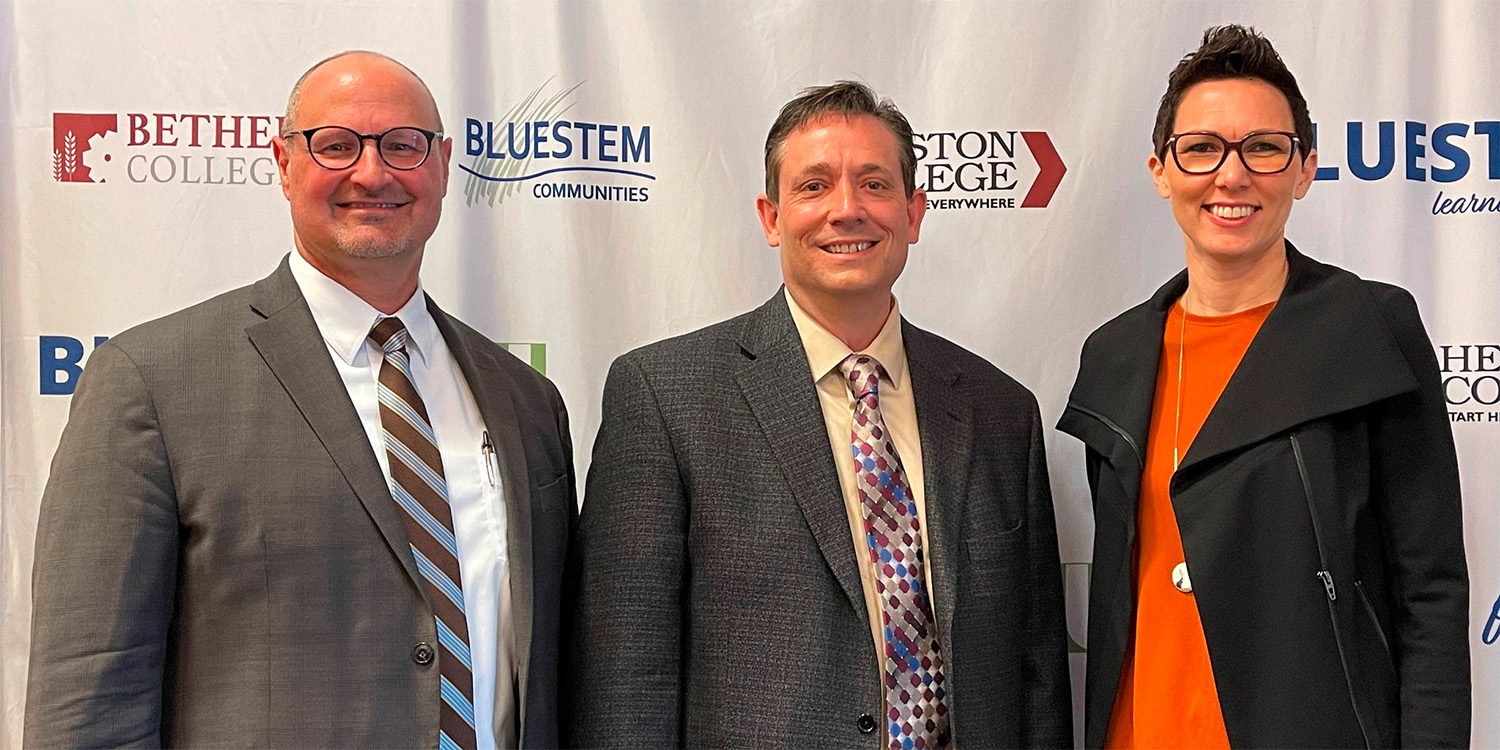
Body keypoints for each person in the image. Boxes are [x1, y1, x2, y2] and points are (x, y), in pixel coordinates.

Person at [24, 51, 575, 749]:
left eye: (403, 146)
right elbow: (88, 694)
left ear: (441, 166)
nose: (373, 174)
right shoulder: (150, 381)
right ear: (283, 165)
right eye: (336, 145)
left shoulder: (525, 400)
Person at [565, 81, 1071, 749]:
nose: (846, 210)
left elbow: (1035, 671)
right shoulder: (664, 396)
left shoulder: (1001, 411)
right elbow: (625, 681)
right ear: (771, 217)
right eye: (813, 186)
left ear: (915, 213)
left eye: (874, 184)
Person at [1057, 25, 1469, 749]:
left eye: (1264, 148)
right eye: (1202, 148)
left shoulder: (1369, 328)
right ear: (1161, 169)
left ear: (1304, 168)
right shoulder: (1115, 354)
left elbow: (1429, 594)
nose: (1232, 175)